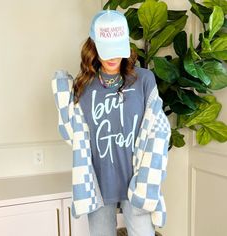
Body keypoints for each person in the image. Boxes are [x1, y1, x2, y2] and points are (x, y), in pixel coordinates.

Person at [52, 10, 171, 236]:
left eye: (118, 48)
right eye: (106, 49)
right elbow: (73, 134)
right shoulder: (83, 86)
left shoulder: (144, 80)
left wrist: (148, 175)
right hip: (98, 182)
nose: (113, 57)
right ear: (93, 47)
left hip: (136, 179)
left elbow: (158, 130)